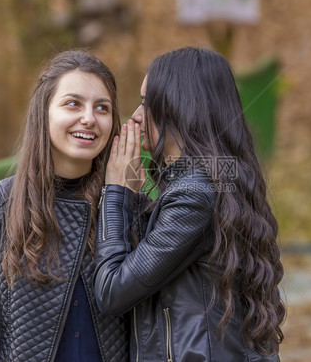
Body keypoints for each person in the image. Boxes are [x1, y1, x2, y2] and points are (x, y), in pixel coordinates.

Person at [94, 47, 285, 362]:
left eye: (146, 102)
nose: (136, 116)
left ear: (180, 106)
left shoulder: (196, 194)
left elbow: (113, 291)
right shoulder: (211, 183)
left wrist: (115, 191)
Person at [0, 49, 129, 361]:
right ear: (44, 112)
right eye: (73, 103)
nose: (88, 118)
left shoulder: (125, 206)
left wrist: (121, 194)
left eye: (102, 108)